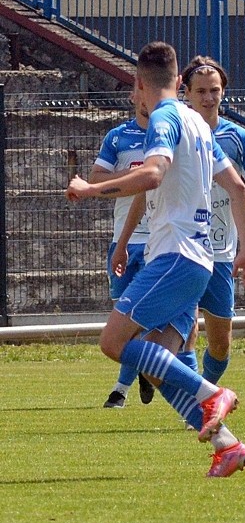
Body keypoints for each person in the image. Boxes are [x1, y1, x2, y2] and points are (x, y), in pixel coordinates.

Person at [66, 41, 245, 477]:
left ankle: (211, 392)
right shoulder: (196, 122)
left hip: (173, 255)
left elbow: (152, 173)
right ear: (179, 82)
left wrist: (92, 189)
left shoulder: (166, 117)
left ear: (138, 84)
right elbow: (237, 187)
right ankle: (226, 446)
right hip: (198, 259)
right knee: (158, 364)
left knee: (113, 343)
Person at [179, 55, 245, 385]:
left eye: (214, 90)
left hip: (221, 252)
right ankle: (197, 401)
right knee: (185, 329)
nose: (208, 98)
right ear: (186, 93)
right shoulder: (175, 134)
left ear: (223, 93)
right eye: (201, 91)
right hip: (183, 247)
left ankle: (208, 388)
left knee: (220, 344)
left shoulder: (236, 137)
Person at [90, 88, 156, 408]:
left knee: (138, 319)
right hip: (123, 241)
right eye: (141, 92)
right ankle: (144, 368)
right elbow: (97, 179)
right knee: (122, 317)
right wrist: (129, 177)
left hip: (158, 241)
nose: (146, 99)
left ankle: (119, 390)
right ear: (133, 97)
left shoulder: (168, 137)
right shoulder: (118, 137)